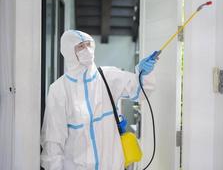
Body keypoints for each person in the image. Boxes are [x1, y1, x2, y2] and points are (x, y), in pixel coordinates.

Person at [41, 30, 156, 170]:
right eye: (80, 47)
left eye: (88, 44)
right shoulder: (59, 90)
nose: (87, 50)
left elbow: (139, 91)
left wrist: (144, 73)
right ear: (69, 52)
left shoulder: (107, 77)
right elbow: (53, 141)